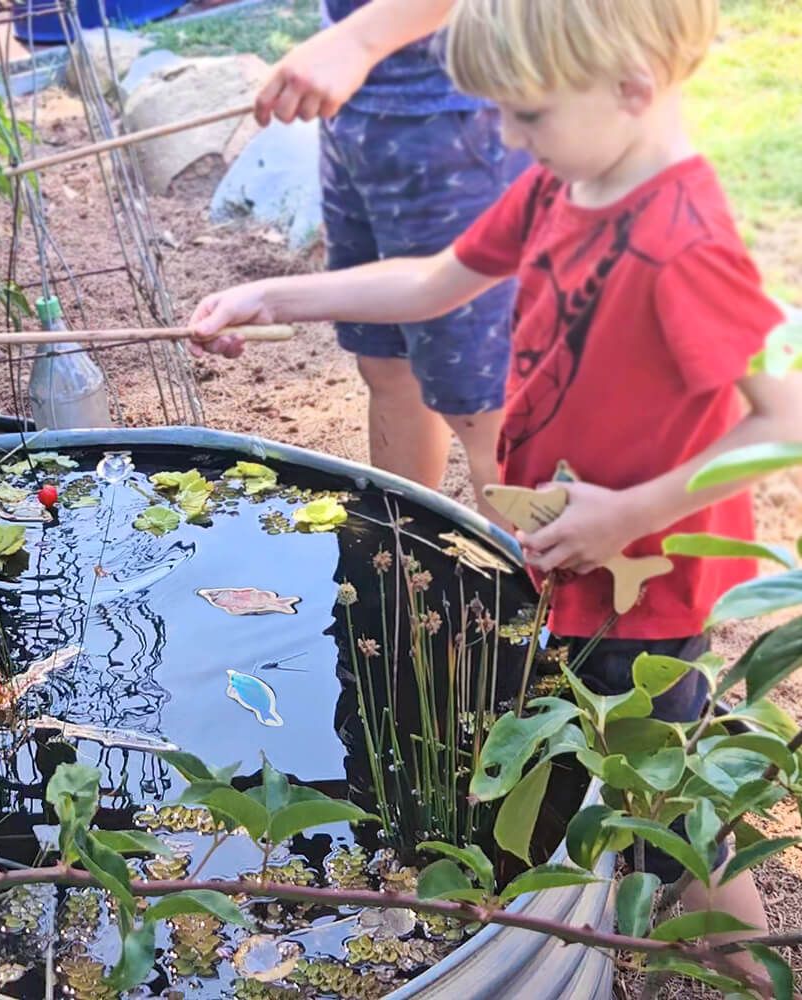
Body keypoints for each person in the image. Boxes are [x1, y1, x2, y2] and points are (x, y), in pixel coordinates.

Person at [191, 0, 802, 977]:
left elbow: (784, 419)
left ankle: (755, 972)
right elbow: (436, 280)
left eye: (525, 116)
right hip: (570, 564)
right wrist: (273, 295)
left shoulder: (684, 243)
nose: (506, 139)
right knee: (637, 787)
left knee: (666, 815)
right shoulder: (572, 185)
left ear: (632, 88)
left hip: (640, 597)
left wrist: (630, 513)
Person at [250, 0, 528, 520]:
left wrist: (359, 40)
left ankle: (526, 597)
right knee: (387, 366)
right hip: (355, 109)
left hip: (456, 118)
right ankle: (402, 564)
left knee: (484, 406)